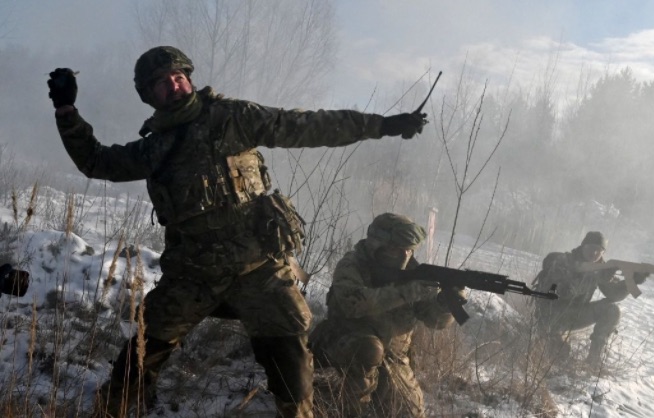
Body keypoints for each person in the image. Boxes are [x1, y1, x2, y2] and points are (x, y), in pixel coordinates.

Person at [47, 46, 427, 418]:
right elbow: (97, 161)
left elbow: (306, 126)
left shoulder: (232, 118)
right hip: (193, 273)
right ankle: (111, 408)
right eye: (162, 83)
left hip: (258, 268)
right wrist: (67, 112)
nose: (175, 86)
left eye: (179, 77)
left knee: (292, 364)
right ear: (149, 96)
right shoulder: (154, 148)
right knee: (142, 351)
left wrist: (382, 125)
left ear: (190, 80)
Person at [309, 213, 463, 417]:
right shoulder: (353, 264)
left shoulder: (415, 273)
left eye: (408, 250)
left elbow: (435, 320)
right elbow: (352, 304)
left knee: (408, 412)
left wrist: (446, 304)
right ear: (376, 244)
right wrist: (404, 293)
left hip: (393, 354)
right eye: (396, 249)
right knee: (368, 349)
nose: (403, 255)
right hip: (342, 340)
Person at [531, 231, 649, 369]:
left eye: (599, 250)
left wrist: (631, 282)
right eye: (591, 248)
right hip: (551, 316)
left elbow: (614, 295)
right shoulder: (563, 262)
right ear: (582, 247)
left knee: (611, 310)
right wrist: (592, 277)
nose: (594, 253)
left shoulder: (600, 268)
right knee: (559, 356)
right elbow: (562, 293)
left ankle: (594, 360)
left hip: (575, 315)